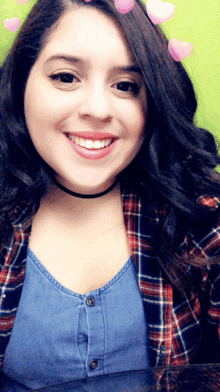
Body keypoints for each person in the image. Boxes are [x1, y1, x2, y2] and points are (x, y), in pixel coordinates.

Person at [0, 0, 220, 389]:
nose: (98, 109)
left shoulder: (201, 222)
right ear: (21, 85)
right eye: (66, 77)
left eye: (125, 86)